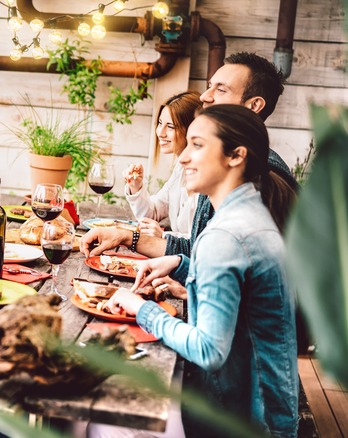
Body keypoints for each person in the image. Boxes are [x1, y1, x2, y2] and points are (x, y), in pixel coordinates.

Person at [105, 105, 298, 437]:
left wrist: (141, 309)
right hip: (270, 410)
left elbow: (208, 351)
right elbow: (244, 285)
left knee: (105, 419)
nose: (182, 157)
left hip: (238, 419)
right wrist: (181, 265)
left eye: (197, 145)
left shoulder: (224, 235)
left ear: (236, 156)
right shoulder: (249, 213)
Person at [81, 52, 298, 295]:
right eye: (209, 87)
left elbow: (249, 287)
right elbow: (198, 249)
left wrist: (183, 290)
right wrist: (125, 237)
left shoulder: (260, 179)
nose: (205, 96)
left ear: (254, 105)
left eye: (221, 89)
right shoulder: (220, 165)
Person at [123, 91, 201, 238]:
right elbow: (152, 214)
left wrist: (164, 236)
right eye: (160, 123)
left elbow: (198, 241)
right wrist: (136, 186)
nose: (160, 132)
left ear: (191, 130)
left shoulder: (204, 179)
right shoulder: (180, 169)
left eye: (170, 126)